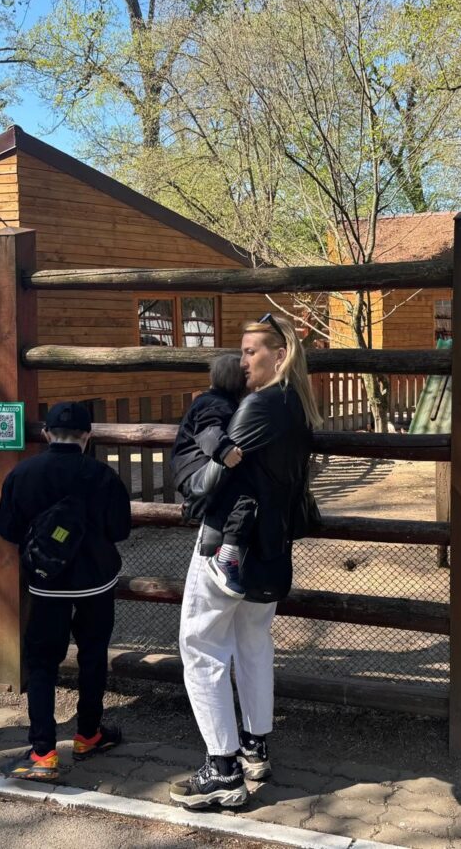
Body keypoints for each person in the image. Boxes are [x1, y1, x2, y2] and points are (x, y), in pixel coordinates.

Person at [170, 314, 321, 809]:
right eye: (241, 352)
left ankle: (222, 770)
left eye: (251, 351)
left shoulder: (258, 404)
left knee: (200, 646)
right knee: (254, 642)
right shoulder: (298, 405)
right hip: (271, 546)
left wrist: (192, 477)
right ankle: (254, 747)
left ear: (280, 355)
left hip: (228, 543)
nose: (242, 361)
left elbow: (208, 482)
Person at [0, 401, 132, 781]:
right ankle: (88, 734)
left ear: (46, 434)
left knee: (42, 662)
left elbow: (7, 528)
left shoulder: (23, 474)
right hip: (96, 581)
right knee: (93, 654)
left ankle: (43, 751)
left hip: (46, 583)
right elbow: (120, 530)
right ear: (88, 436)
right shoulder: (103, 476)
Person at [170, 353, 254, 597]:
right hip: (195, 470)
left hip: (191, 470)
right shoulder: (215, 404)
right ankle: (225, 557)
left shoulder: (215, 400)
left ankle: (197, 505)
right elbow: (208, 430)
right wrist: (224, 450)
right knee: (245, 491)